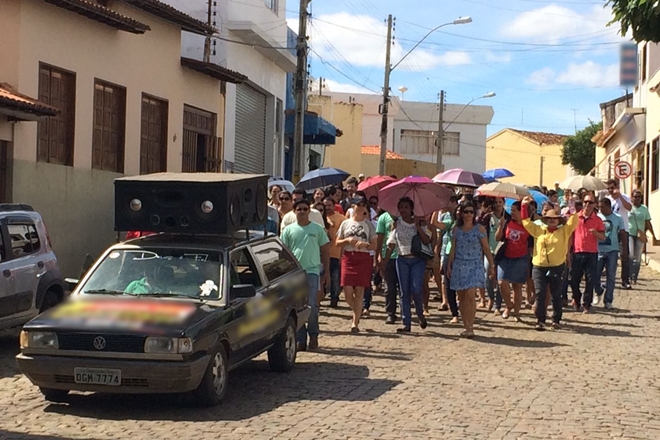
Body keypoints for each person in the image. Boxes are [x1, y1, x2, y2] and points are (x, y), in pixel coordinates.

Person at [280, 199, 330, 351]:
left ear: (309, 211)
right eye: (299, 209)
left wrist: (326, 271)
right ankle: (301, 338)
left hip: (313, 271)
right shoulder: (288, 231)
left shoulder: (317, 229)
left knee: (312, 305)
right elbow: (283, 253)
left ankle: (314, 334)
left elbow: (325, 249)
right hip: (294, 274)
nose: (302, 211)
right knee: (297, 307)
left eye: (304, 209)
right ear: (294, 212)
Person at [522, 197, 578, 331]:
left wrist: (572, 206)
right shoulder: (538, 230)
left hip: (557, 267)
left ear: (558, 220)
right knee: (540, 293)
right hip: (539, 266)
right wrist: (524, 206)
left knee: (556, 294)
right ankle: (540, 320)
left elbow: (574, 220)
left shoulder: (564, 230)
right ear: (545, 220)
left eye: (555, 218)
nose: (552, 220)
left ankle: (556, 319)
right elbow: (525, 222)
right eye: (549, 218)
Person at [382, 197, 432, 333]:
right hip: (402, 259)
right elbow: (391, 243)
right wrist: (385, 261)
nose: (403, 210)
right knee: (404, 292)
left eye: (406, 207)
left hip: (417, 260)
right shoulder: (396, 224)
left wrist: (417, 226)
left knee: (416, 289)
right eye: (401, 207)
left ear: (411, 209)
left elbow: (427, 240)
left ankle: (420, 313)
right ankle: (406, 323)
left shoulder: (420, 223)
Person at [446, 202, 495, 338]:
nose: (468, 214)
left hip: (474, 265)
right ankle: (465, 324)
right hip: (459, 265)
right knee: (461, 297)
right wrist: (449, 265)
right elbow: (453, 248)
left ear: (474, 214)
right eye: (466, 212)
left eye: (471, 212)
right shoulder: (456, 230)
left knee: (470, 296)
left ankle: (471, 326)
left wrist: (491, 265)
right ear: (461, 213)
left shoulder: (479, 229)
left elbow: (486, 248)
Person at [335, 197, 377, 333]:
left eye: (363, 205)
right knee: (347, 292)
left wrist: (366, 245)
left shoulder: (369, 225)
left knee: (359, 292)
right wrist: (348, 240)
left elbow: (374, 245)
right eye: (358, 205)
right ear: (353, 206)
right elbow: (337, 242)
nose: (360, 207)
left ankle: (355, 322)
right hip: (349, 257)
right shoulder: (345, 223)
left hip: (363, 258)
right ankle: (357, 310)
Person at [570, 193, 605, 314]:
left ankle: (586, 303)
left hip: (591, 253)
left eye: (590, 202)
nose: (587, 205)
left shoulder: (598, 220)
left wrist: (595, 232)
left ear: (595, 204)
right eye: (585, 202)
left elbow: (603, 237)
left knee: (590, 280)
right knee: (574, 280)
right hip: (577, 252)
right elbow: (570, 235)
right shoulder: (575, 217)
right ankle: (576, 298)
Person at [495, 201, 530, 321]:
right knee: (501, 282)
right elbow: (497, 238)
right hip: (505, 257)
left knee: (517, 286)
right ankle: (508, 305)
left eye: (515, 210)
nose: (512, 212)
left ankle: (516, 312)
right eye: (512, 210)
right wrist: (501, 225)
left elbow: (531, 244)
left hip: (521, 258)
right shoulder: (507, 222)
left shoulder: (528, 225)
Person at [593, 198, 624, 309]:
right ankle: (598, 291)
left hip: (612, 250)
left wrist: (624, 249)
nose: (600, 209)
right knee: (595, 274)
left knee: (611, 276)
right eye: (599, 207)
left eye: (603, 207)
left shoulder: (618, 218)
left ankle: (608, 300)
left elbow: (622, 233)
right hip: (598, 250)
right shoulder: (597, 218)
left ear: (609, 206)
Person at [605, 179, 633, 289]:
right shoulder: (607, 199)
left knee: (625, 255)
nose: (611, 190)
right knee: (609, 255)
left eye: (612, 188)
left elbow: (629, 208)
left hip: (623, 230)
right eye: (608, 189)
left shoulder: (624, 197)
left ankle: (625, 280)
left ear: (617, 187)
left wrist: (620, 196)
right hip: (610, 230)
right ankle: (609, 280)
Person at [629, 190, 658, 283]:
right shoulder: (628, 207)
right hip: (629, 233)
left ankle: (634, 277)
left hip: (640, 235)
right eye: (635, 197)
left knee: (637, 256)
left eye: (639, 197)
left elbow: (648, 222)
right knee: (630, 254)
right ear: (631, 197)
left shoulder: (644, 209)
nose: (637, 199)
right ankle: (628, 275)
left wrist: (653, 235)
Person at [376, 207, 400, 324]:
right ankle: (391, 313)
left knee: (403, 287)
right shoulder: (383, 217)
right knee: (389, 287)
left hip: (403, 256)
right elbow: (380, 239)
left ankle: (405, 312)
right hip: (388, 257)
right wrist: (379, 255)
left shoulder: (406, 217)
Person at [324, 197, 345, 308]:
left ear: (334, 206)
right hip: (322, 253)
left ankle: (334, 298)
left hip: (336, 252)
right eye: (325, 205)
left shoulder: (341, 218)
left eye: (329, 205)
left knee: (335, 277)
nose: (327, 208)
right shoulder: (320, 218)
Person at [487, 198, 507, 312]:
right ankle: (491, 298)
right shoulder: (488, 217)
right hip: (489, 250)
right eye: (495, 202)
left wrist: (503, 224)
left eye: (500, 202)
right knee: (488, 278)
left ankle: (497, 305)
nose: (498, 204)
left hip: (502, 251)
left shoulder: (507, 217)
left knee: (499, 278)